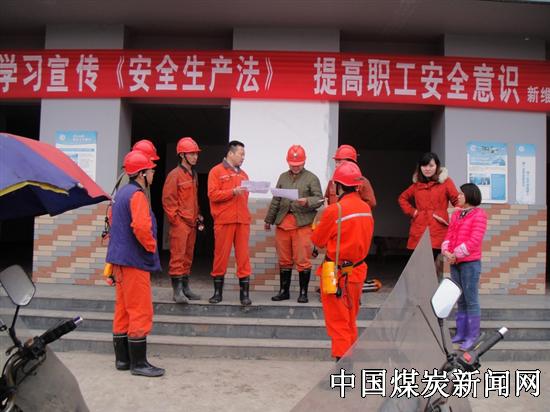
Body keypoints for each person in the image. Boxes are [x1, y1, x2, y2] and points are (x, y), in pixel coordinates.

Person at [106, 150, 164, 377]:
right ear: (141, 173)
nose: (153, 173)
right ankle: (139, 364)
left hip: (119, 261)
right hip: (134, 261)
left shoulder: (121, 193)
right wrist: (151, 246)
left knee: (123, 310)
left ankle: (123, 360)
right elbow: (141, 227)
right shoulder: (137, 195)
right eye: (151, 170)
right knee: (140, 309)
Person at [311, 161, 374, 361]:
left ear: (338, 185)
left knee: (338, 322)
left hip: (335, 273)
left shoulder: (334, 210)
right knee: (350, 320)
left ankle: (343, 368)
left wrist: (320, 224)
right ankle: (349, 362)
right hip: (357, 271)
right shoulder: (366, 208)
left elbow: (318, 241)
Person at [264, 145, 323, 303]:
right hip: (283, 223)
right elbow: (276, 199)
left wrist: (307, 201)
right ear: (287, 162)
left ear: (304, 162)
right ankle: (284, 291)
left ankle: (303, 293)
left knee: (302, 260)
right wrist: (269, 220)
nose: (295, 167)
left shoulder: (311, 178)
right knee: (284, 259)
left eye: (298, 164)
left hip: (302, 224)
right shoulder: (283, 177)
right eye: (292, 164)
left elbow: (319, 199)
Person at [442, 183, 487, 351]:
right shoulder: (456, 214)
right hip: (456, 262)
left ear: (470, 195)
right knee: (460, 298)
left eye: (461, 194)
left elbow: (475, 239)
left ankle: (472, 336)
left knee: (471, 300)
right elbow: (449, 234)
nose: (458, 196)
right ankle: (461, 333)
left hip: (470, 263)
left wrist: (456, 254)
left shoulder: (479, 215)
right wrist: (446, 251)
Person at [207, 140, 252, 306]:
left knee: (243, 257)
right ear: (231, 153)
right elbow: (212, 195)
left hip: (242, 221)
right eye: (241, 154)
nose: (243, 157)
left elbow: (245, 197)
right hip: (224, 220)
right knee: (221, 256)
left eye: (244, 155)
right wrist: (232, 192)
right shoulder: (216, 171)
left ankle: (244, 295)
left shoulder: (244, 175)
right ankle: (217, 293)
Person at [162, 137, 202, 304]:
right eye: (191, 154)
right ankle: (177, 291)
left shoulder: (193, 174)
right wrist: (176, 221)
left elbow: (194, 199)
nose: (195, 157)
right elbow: (168, 201)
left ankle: (185, 288)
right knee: (178, 257)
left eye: (196, 154)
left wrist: (198, 215)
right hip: (180, 224)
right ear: (182, 155)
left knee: (187, 257)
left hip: (192, 223)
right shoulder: (174, 175)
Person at [398, 152, 459, 260]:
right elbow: (402, 198)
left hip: (438, 228)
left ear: (437, 166)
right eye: (424, 165)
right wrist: (413, 212)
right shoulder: (416, 185)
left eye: (431, 165)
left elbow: (457, 200)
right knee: (418, 262)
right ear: (420, 167)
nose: (427, 169)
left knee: (430, 261)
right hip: (419, 228)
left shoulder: (445, 182)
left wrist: (450, 216)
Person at [325, 144, 376, 208]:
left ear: (351, 162)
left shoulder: (363, 182)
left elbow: (371, 203)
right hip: (335, 213)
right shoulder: (332, 181)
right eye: (336, 162)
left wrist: (354, 210)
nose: (336, 165)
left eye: (339, 162)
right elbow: (326, 200)